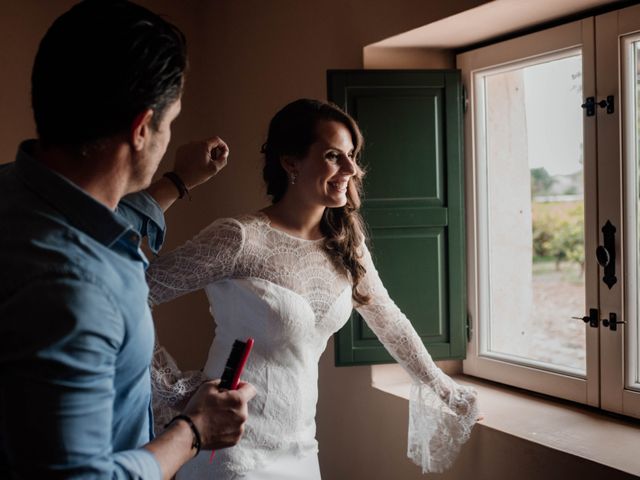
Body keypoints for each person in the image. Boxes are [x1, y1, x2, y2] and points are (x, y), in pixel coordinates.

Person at [147, 98, 479, 479]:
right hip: (231, 452)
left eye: (352, 156)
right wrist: (171, 387)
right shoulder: (239, 239)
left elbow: (388, 318)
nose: (351, 169)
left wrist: (444, 389)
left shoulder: (345, 243)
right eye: (334, 156)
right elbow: (134, 291)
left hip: (302, 446)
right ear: (291, 162)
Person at [0, 1, 255, 479]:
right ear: (142, 128)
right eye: (171, 119)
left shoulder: (17, 192)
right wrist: (193, 431)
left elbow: (98, 214)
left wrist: (178, 182)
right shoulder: (78, 289)